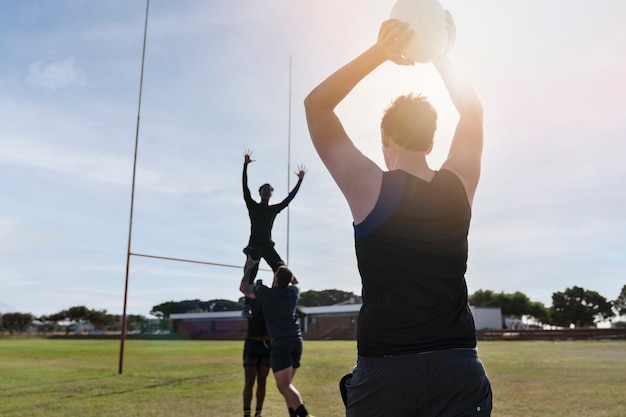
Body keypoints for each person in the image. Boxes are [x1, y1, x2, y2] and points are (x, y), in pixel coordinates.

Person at [304, 14, 492, 417]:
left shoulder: (371, 187)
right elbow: (472, 111)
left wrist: (379, 53)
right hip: (458, 368)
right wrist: (439, 53)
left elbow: (316, 105)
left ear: (385, 138)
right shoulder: (459, 185)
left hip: (387, 373)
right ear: (431, 140)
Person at [240, 266, 314, 417]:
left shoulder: (266, 294)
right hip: (297, 341)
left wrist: (251, 265)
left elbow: (243, 288)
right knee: (288, 387)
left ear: (276, 279)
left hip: (281, 343)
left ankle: (305, 415)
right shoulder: (293, 292)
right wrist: (287, 275)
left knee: (284, 387)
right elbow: (295, 282)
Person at [241, 150, 306, 317]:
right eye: (264, 190)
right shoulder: (253, 206)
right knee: (250, 270)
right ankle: (247, 305)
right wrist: (245, 166)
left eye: (269, 190)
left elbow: (288, 199)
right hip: (255, 244)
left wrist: (300, 181)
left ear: (270, 194)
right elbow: (245, 188)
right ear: (260, 192)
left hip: (268, 245)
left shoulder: (273, 209)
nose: (266, 192)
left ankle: (291, 302)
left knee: (285, 272)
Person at [242, 279, 271, 417]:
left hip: (266, 345)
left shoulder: (270, 303)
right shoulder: (249, 302)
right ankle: (247, 412)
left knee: (262, 380)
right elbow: (245, 286)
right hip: (252, 344)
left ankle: (258, 412)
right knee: (250, 380)